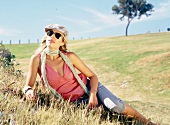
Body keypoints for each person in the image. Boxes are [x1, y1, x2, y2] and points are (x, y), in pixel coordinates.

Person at [23, 24, 157, 125]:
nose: (52, 36)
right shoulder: (37, 59)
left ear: (62, 42)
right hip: (73, 102)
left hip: (90, 89)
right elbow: (28, 86)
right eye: (50, 33)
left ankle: (146, 122)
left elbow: (92, 76)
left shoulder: (69, 56)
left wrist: (93, 94)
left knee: (116, 106)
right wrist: (29, 91)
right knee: (107, 116)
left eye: (57, 35)